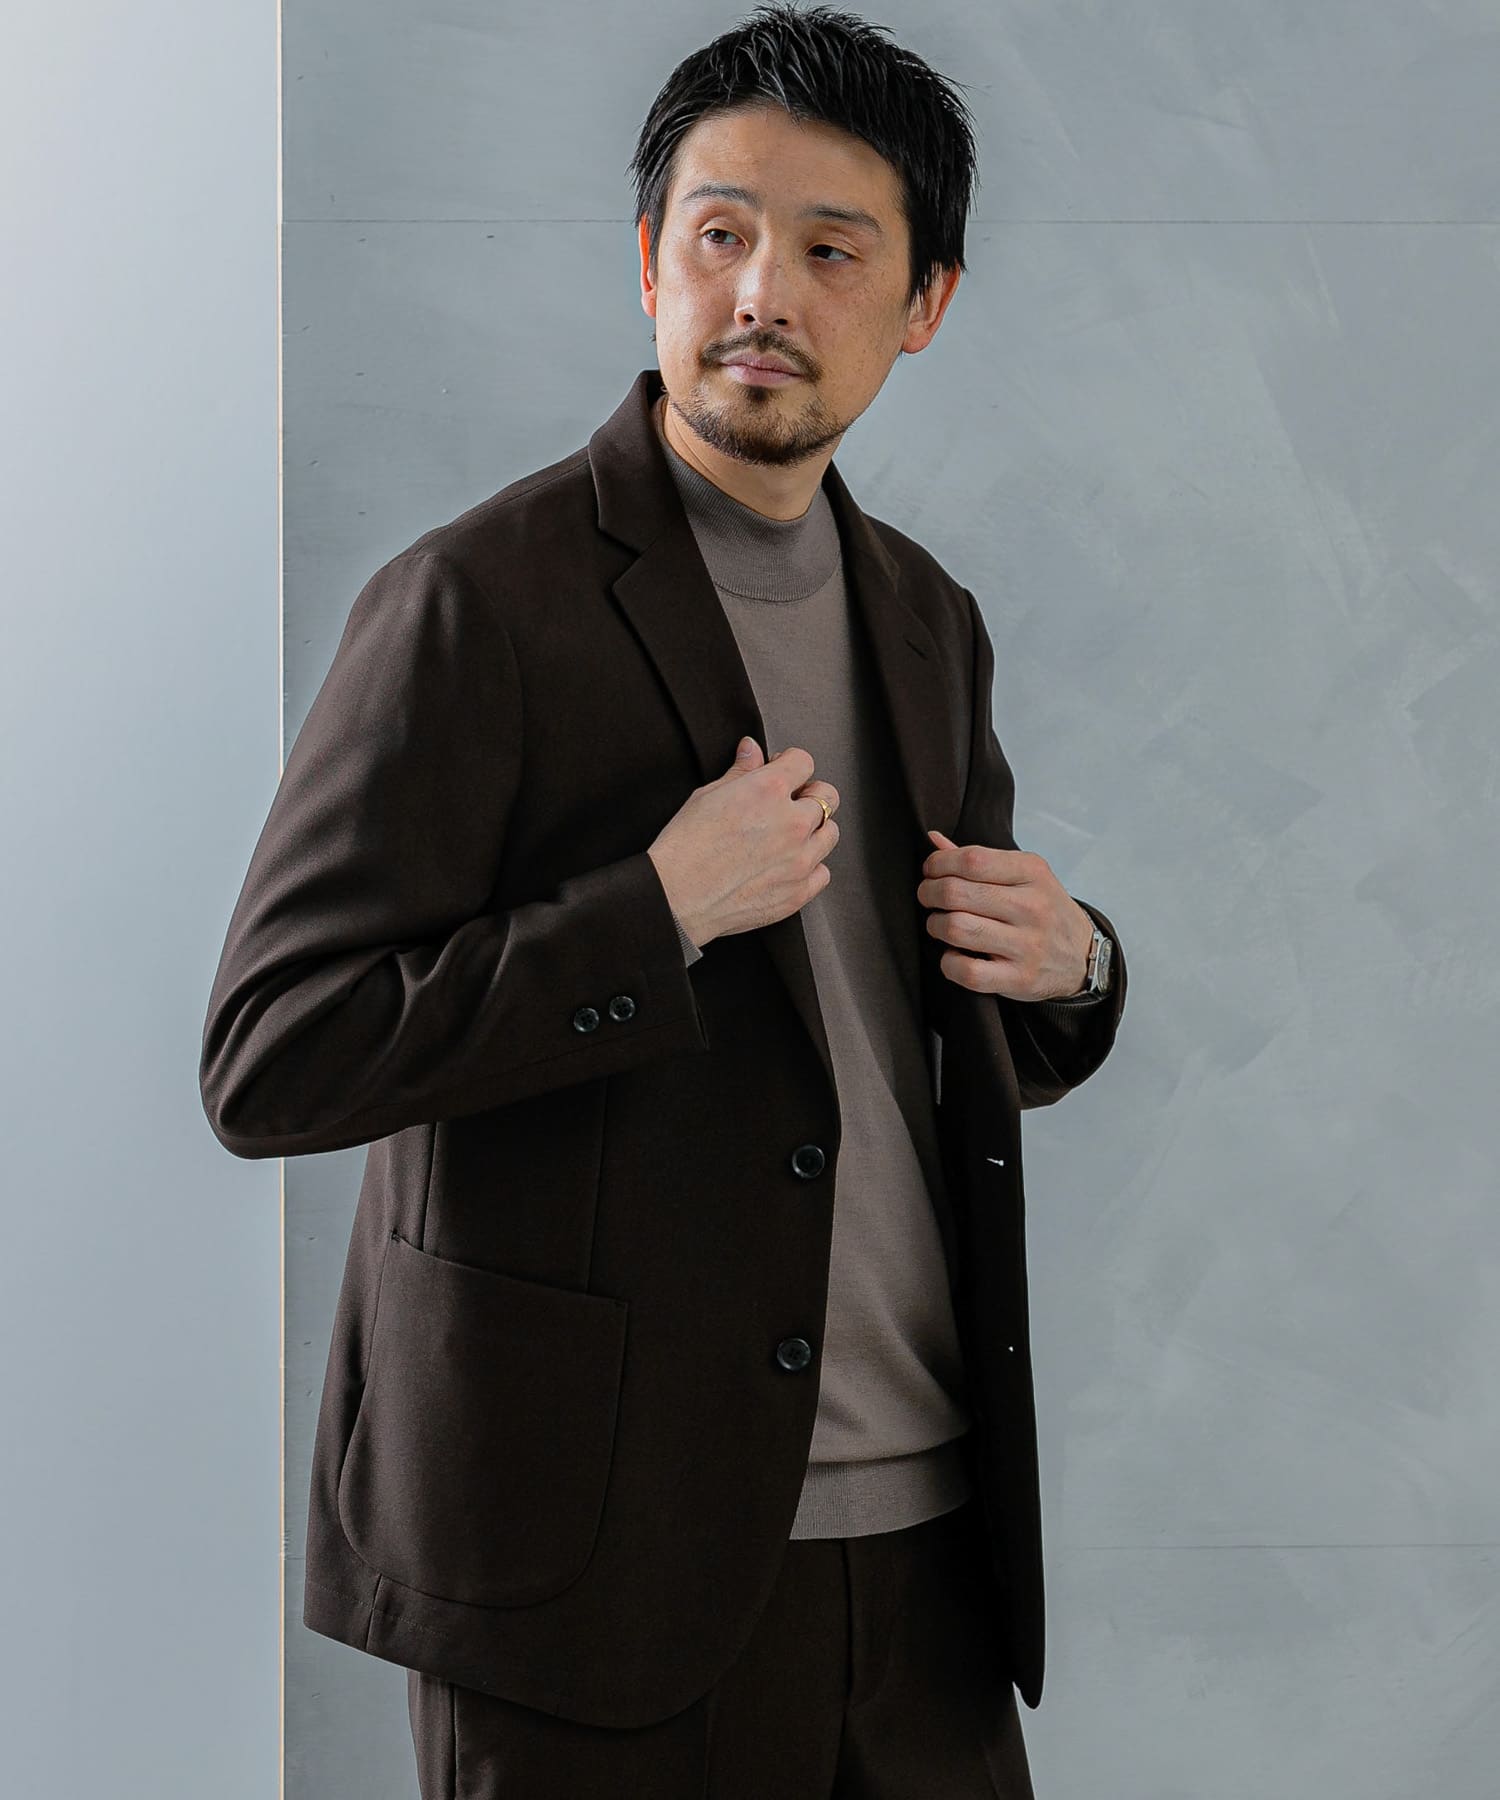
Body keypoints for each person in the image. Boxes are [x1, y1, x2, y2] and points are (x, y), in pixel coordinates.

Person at [200, 5, 1127, 1794]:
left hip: (927, 1553)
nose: (762, 292)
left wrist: (1072, 973)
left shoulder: (924, 615)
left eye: (832, 250)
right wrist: (652, 912)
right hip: (592, 1568)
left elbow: (915, 1033)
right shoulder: (474, 602)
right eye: (719, 235)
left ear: (923, 302)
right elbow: (272, 1057)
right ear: (649, 265)